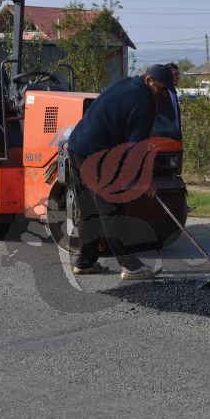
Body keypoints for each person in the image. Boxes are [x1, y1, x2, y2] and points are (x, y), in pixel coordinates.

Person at [67, 64, 172, 280]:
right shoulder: (144, 104)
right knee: (112, 210)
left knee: (88, 209)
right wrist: (143, 181)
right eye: (161, 89)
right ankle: (130, 266)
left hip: (77, 147)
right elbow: (136, 147)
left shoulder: (129, 83)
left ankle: (85, 263)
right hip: (94, 153)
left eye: (167, 90)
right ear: (149, 80)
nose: (163, 94)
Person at [158, 62, 182, 130]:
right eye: (175, 74)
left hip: (175, 136)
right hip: (164, 136)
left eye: (178, 74)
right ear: (167, 75)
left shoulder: (173, 92)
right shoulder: (160, 93)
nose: (178, 77)